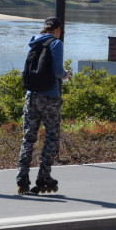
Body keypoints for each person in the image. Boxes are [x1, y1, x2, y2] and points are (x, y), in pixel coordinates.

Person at [17, 16, 71, 195]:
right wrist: (66, 75)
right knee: (51, 138)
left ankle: (22, 178)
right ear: (58, 30)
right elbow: (57, 71)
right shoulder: (56, 44)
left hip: (31, 96)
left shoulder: (33, 42)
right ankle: (43, 178)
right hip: (50, 97)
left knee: (28, 138)